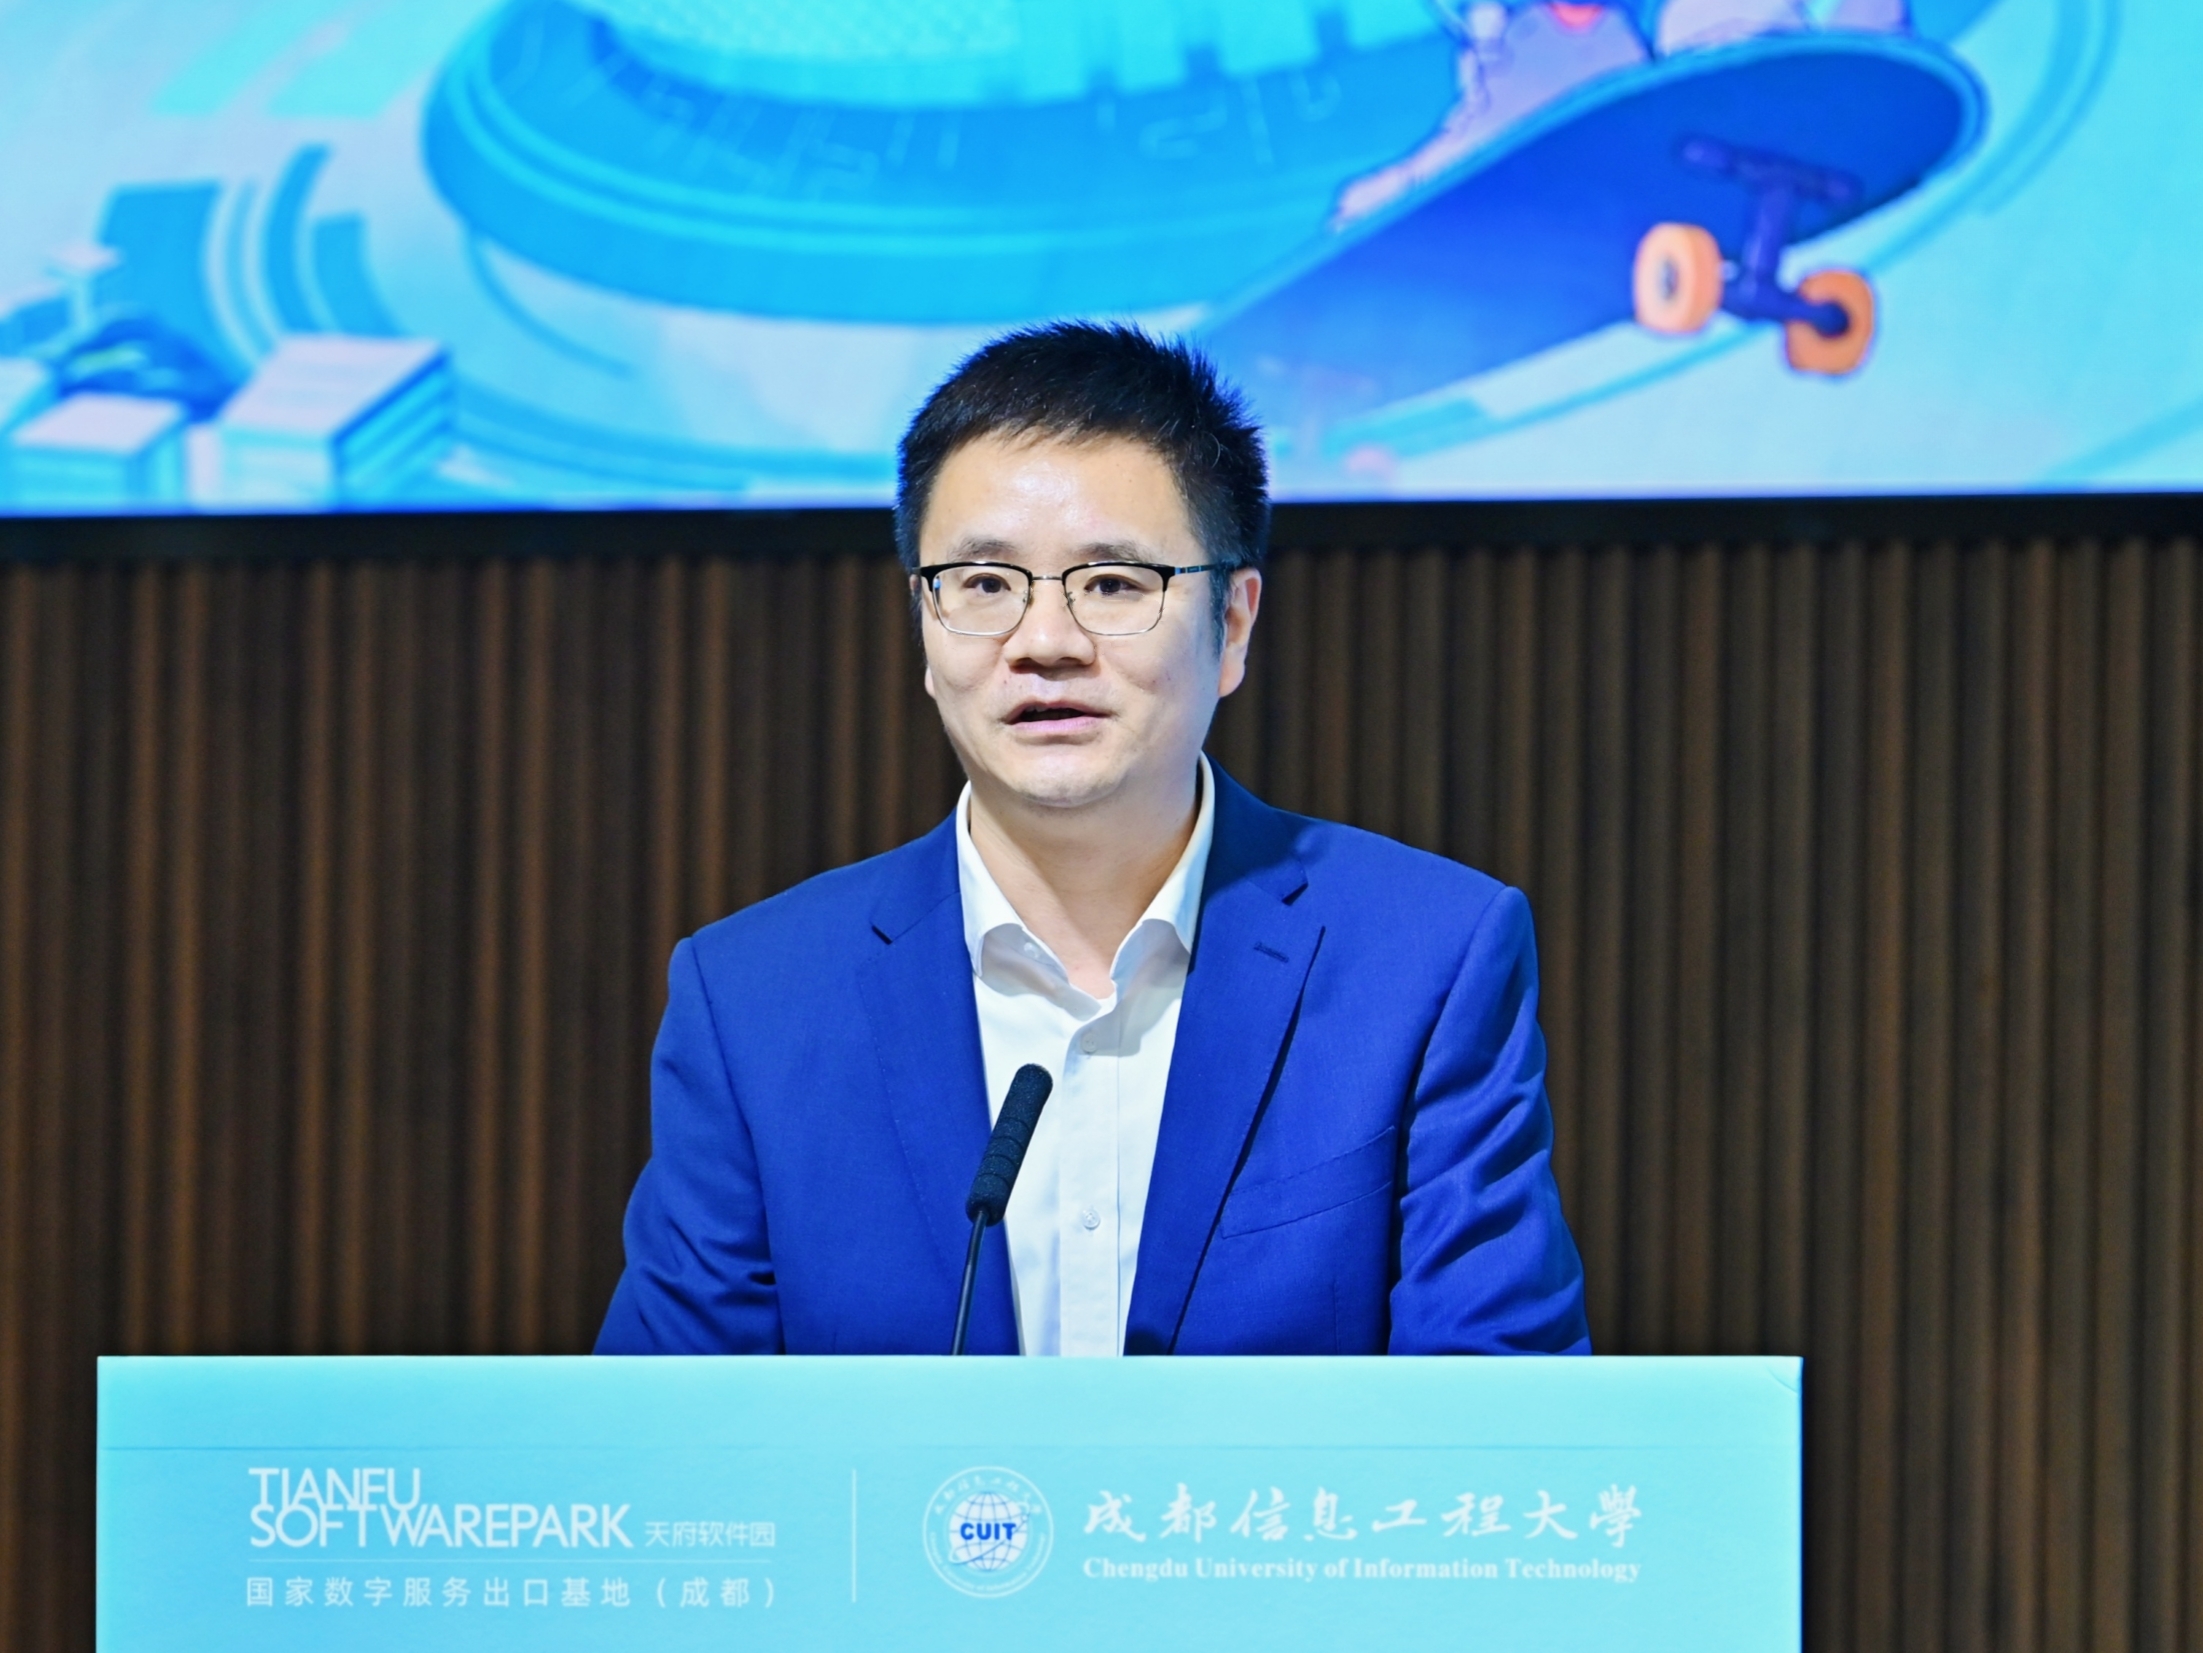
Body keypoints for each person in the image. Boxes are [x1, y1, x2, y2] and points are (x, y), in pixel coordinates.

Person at [596, 323, 1588, 1357]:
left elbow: (1501, 1414)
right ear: (923, 626)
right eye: (984, 583)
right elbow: (668, 1434)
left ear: (1233, 624)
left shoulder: (1423, 961)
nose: (1045, 642)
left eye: (1113, 583)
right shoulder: (755, 1000)